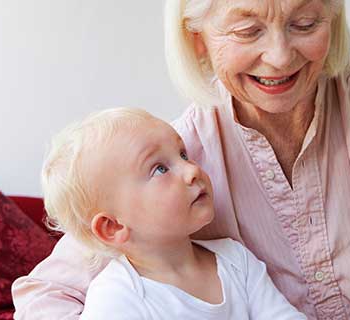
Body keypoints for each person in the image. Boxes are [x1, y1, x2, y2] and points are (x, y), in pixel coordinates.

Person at [13, 0, 350, 319]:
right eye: (247, 30)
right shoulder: (181, 154)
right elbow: (48, 293)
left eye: (306, 23)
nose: (280, 57)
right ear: (199, 40)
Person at [40, 107, 306, 319]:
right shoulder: (118, 297)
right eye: (160, 169)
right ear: (113, 227)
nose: (192, 171)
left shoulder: (235, 259)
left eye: (183, 154)